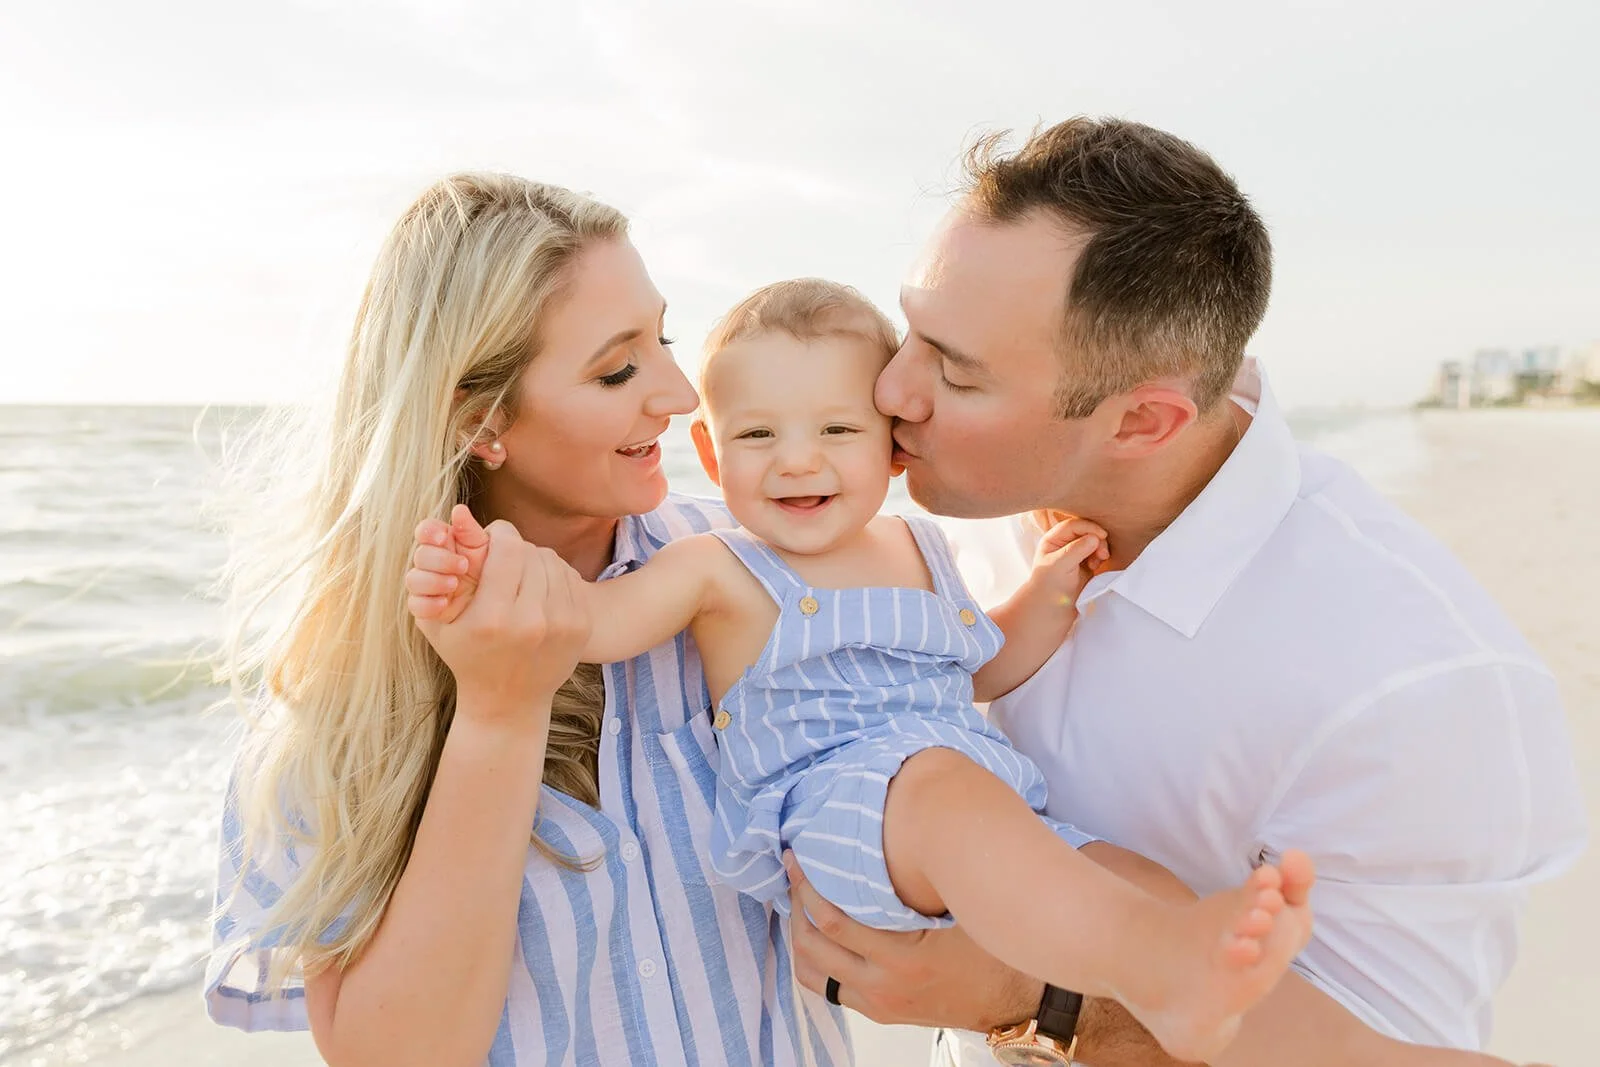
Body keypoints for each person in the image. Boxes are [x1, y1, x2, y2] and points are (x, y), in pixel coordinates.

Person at [785, 118, 1588, 1067]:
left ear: (1143, 421)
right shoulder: (948, 502)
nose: (889, 389)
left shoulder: (1413, 683)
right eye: (910, 332)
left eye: (954, 373)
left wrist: (1039, 1000)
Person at [405, 279, 1316, 1063]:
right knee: (949, 796)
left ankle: (1181, 967)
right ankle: (1153, 960)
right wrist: (488, 574)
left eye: (837, 428)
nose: (799, 459)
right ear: (715, 456)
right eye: (759, 435)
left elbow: (979, 669)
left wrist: (1047, 592)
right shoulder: (720, 565)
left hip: (964, 802)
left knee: (1109, 863)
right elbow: (595, 622)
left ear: (892, 445)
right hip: (832, 811)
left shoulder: (920, 545)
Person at [204, 173, 866, 1066]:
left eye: (663, 337)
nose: (678, 393)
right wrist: (497, 710)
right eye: (619, 367)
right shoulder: (342, 701)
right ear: (480, 419)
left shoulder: (753, 569)